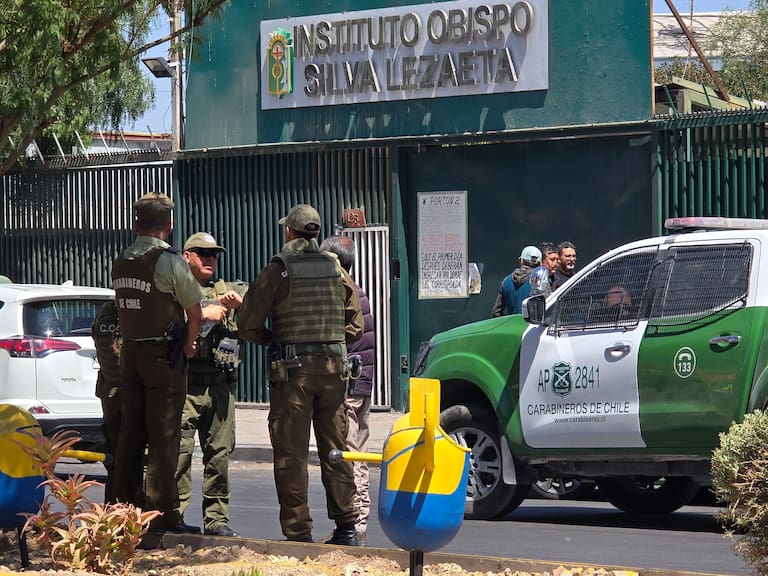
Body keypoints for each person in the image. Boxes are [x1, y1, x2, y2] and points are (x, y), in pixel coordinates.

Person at [237, 204, 363, 545]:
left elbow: (246, 322)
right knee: (335, 449)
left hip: (294, 374)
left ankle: (298, 532)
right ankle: (347, 528)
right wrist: (330, 342)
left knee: (291, 454)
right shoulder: (336, 268)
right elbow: (355, 325)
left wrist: (272, 339)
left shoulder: (279, 269)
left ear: (289, 231)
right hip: (334, 372)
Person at [111, 192, 203, 534]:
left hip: (131, 355)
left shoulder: (121, 260)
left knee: (131, 433)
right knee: (164, 436)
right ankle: (162, 514)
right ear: (169, 224)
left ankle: (122, 509)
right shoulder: (169, 262)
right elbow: (194, 311)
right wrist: (190, 342)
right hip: (163, 357)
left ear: (136, 224)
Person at [175, 232, 248, 538]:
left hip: (219, 387)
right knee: (179, 453)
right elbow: (159, 322)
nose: (210, 259)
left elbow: (260, 310)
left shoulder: (229, 289)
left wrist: (241, 305)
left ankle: (216, 519)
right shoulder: (175, 292)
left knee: (219, 455)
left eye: (214, 254)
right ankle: (173, 515)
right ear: (186, 256)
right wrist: (201, 313)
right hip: (185, 386)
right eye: (202, 253)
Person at [319, 235, 375, 547]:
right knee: (358, 451)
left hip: (351, 384)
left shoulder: (343, 292)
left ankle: (356, 523)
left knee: (351, 453)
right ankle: (358, 522)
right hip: (362, 381)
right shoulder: (357, 290)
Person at [91, 300, 122, 504]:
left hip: (112, 395)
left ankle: (113, 510)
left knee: (115, 458)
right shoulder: (136, 311)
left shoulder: (107, 311)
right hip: (126, 395)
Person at [491, 245, 542, 317]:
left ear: (521, 261)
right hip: (533, 324)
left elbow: (496, 312)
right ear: (540, 263)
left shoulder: (506, 281)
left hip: (513, 324)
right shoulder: (541, 282)